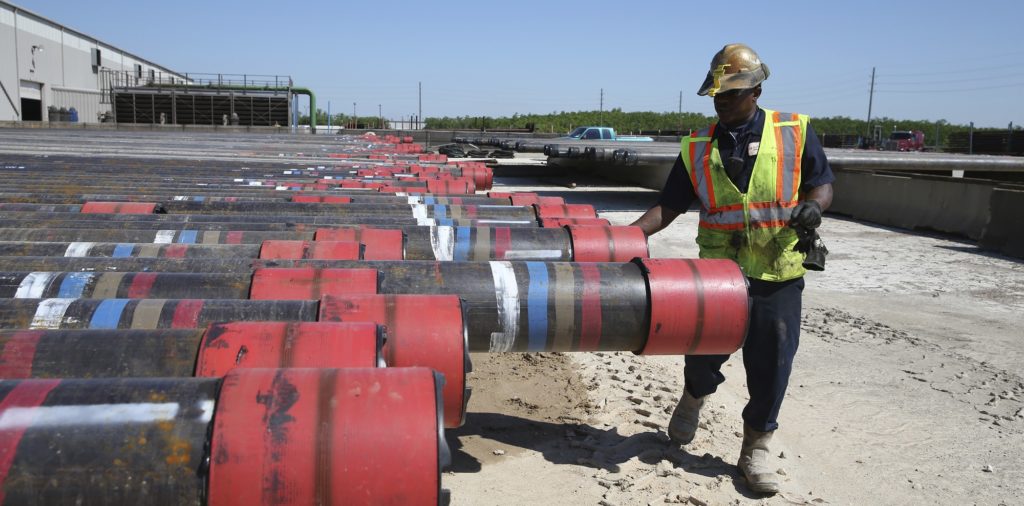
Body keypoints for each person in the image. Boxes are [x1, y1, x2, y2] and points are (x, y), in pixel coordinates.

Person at [630, 43, 834, 494]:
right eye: (717, 96)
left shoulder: (795, 131)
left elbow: (821, 186)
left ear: (756, 90)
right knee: (702, 352)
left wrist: (813, 210)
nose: (722, 102)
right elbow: (670, 205)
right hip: (718, 275)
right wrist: (629, 235)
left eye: (731, 94)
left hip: (777, 270)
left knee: (772, 362)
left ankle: (757, 446)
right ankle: (694, 396)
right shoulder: (698, 146)